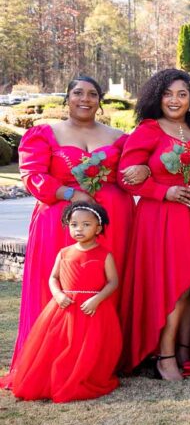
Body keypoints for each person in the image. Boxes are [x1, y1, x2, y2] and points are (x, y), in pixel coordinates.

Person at [11, 76, 142, 365]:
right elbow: (33, 176)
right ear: (67, 98)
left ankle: (104, 357)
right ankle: (54, 356)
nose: (85, 99)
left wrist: (141, 172)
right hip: (59, 217)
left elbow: (129, 175)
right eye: (78, 93)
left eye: (93, 94)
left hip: (113, 220)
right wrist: (72, 193)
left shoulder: (120, 139)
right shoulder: (44, 134)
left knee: (108, 279)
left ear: (100, 101)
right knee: (62, 282)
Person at [118, 69, 190, 380]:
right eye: (168, 94)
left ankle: (184, 350)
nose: (174, 100)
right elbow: (126, 177)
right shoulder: (149, 130)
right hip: (162, 217)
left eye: (182, 94)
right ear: (157, 97)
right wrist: (162, 190)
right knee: (175, 286)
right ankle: (163, 357)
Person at [1, 203, 121, 402]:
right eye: (74, 224)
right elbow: (53, 277)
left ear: (98, 228)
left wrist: (96, 299)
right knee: (61, 343)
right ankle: (58, 376)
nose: (79, 229)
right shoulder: (64, 253)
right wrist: (57, 295)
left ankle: (83, 375)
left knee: (88, 345)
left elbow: (113, 282)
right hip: (65, 307)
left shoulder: (104, 254)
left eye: (85, 225)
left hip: (92, 309)